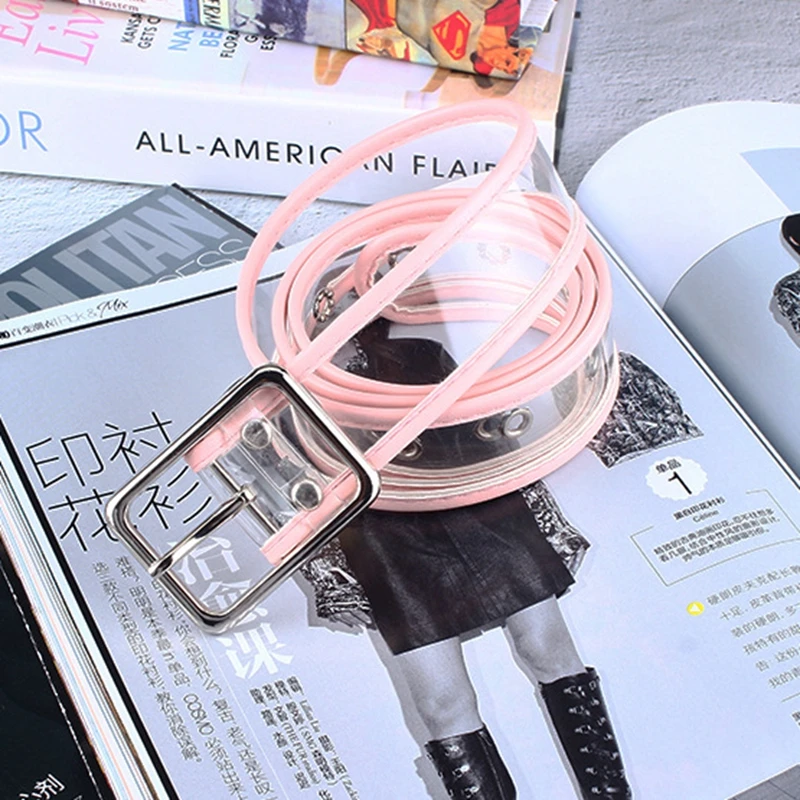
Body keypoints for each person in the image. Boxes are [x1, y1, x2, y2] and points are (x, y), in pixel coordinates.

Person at [301, 318, 633, 800]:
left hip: (474, 504)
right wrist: (324, 572)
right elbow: (297, 489)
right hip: (380, 534)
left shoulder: (419, 351)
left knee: (547, 649)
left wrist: (545, 521)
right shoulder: (295, 390)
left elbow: (493, 436)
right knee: (441, 704)